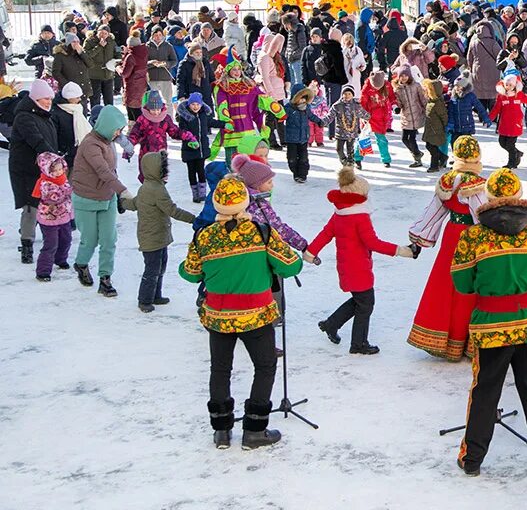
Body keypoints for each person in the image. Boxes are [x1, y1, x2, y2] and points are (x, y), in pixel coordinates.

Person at [450, 168, 527, 477]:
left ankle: (472, 458)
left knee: (485, 390)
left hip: (491, 325)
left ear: (488, 196)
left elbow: (462, 283)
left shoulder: (472, 236)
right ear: (519, 195)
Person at [179, 175, 302, 450]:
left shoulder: (205, 236)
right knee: (265, 366)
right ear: (245, 202)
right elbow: (291, 266)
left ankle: (222, 431)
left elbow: (189, 273)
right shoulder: (260, 232)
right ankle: (254, 430)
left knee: (220, 370)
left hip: (218, 316)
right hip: (256, 314)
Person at [309, 166, 418, 355]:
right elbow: (372, 242)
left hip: (346, 265)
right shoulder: (360, 217)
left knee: (361, 300)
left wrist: (311, 252)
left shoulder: (340, 213)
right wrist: (402, 251)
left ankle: (331, 324)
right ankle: (358, 344)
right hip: (358, 267)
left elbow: (325, 234)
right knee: (366, 303)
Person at [408, 135, 489, 360]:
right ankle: (469, 341)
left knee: (448, 285)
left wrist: (419, 237)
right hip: (473, 238)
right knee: (471, 288)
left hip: (451, 235)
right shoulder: (476, 184)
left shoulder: (447, 181)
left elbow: (433, 212)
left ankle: (447, 339)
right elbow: (484, 216)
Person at [72, 105, 133, 297]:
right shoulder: (90, 144)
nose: (118, 133)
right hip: (87, 198)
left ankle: (105, 278)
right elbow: (103, 171)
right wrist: (123, 191)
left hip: (107, 197)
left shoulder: (108, 141)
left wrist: (116, 195)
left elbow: (111, 171)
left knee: (109, 240)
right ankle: (81, 264)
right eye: (117, 129)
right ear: (106, 125)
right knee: (90, 240)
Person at [123, 152, 196, 312]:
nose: (167, 173)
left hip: (157, 236)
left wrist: (123, 203)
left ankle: (156, 295)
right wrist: (193, 219)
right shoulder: (156, 190)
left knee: (160, 267)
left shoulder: (147, 187)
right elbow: (172, 210)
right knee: (152, 270)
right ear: (156, 171)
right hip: (152, 238)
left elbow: (134, 203)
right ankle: (144, 300)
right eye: (164, 169)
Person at [9, 79, 59, 264]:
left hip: (42, 168)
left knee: (42, 205)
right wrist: (53, 157)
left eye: (50, 98)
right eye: (45, 98)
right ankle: (27, 246)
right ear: (36, 98)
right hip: (26, 169)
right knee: (31, 206)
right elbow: (36, 140)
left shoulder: (44, 114)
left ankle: (32, 233)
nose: (48, 102)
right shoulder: (24, 117)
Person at [127, 89, 198, 182]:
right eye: (153, 109)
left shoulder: (165, 118)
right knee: (146, 178)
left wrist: (188, 136)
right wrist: (128, 147)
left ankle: (159, 194)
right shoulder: (142, 119)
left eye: (158, 109)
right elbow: (134, 135)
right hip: (146, 154)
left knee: (160, 178)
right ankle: (147, 194)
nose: (156, 112)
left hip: (161, 153)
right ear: (148, 108)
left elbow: (175, 131)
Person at [31, 152, 74, 281]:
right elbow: (54, 198)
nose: (59, 172)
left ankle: (60, 259)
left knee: (66, 238)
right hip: (49, 217)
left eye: (60, 169)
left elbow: (66, 192)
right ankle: (43, 271)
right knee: (51, 243)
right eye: (55, 171)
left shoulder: (62, 179)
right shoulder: (45, 183)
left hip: (63, 215)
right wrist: (68, 191)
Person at [176, 92, 222, 201]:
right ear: (189, 105)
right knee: (191, 172)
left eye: (197, 104)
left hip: (201, 149)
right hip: (189, 150)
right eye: (193, 104)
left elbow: (212, 122)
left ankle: (202, 193)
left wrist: (224, 124)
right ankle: (195, 193)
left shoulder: (204, 115)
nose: (195, 107)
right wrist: (189, 140)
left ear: (201, 105)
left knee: (201, 171)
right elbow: (182, 131)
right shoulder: (185, 117)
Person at [360, 71, 396, 167]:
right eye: (375, 87)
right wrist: (363, 115)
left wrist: (395, 105)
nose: (377, 89)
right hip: (368, 116)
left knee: (382, 139)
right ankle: (357, 158)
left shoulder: (387, 86)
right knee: (364, 138)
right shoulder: (367, 87)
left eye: (379, 87)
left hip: (381, 116)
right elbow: (362, 102)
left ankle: (386, 159)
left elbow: (392, 97)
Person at [329, 85, 369, 168]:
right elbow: (330, 116)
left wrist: (372, 118)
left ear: (352, 95)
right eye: (345, 94)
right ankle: (344, 161)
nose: (347, 96)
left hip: (352, 132)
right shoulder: (337, 105)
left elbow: (364, 114)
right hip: (340, 132)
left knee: (350, 150)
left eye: (349, 94)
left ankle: (350, 165)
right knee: (338, 149)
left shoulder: (356, 106)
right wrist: (322, 122)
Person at [83, 25, 118, 107]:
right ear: (97, 32)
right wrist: (99, 46)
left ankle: (109, 115)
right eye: (101, 33)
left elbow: (117, 53)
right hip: (94, 75)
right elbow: (86, 55)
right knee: (95, 99)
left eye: (105, 33)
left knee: (109, 99)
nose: (103, 35)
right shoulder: (89, 41)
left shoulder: (111, 42)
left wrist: (117, 62)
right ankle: (95, 117)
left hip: (108, 75)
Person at [145, 27, 178, 104]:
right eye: (156, 35)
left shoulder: (168, 46)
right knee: (152, 102)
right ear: (152, 36)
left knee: (168, 102)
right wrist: (151, 63)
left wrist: (166, 64)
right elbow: (143, 63)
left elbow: (174, 61)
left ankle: (169, 116)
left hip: (165, 78)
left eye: (160, 35)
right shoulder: (146, 47)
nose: (158, 37)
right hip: (152, 78)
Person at [422, 78, 449, 171]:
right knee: (429, 145)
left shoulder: (438, 103)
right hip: (430, 128)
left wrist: (446, 126)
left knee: (432, 147)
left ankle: (434, 166)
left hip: (436, 129)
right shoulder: (431, 101)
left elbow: (443, 116)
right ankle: (442, 157)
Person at [121, 35, 149, 121]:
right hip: (142, 84)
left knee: (132, 111)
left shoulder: (131, 56)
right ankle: (141, 129)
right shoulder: (144, 52)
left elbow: (125, 73)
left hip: (132, 86)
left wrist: (117, 67)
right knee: (139, 109)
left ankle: (135, 131)